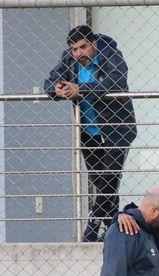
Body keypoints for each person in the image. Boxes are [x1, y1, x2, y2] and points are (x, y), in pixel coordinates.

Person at [44, 24, 138, 242]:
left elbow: (117, 80)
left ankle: (92, 226)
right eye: (75, 49)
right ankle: (114, 229)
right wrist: (56, 90)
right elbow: (49, 81)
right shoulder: (69, 59)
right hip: (89, 131)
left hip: (117, 129)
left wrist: (82, 89)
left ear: (93, 43)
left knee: (108, 178)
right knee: (102, 181)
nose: (79, 53)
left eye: (83, 47)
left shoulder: (110, 53)